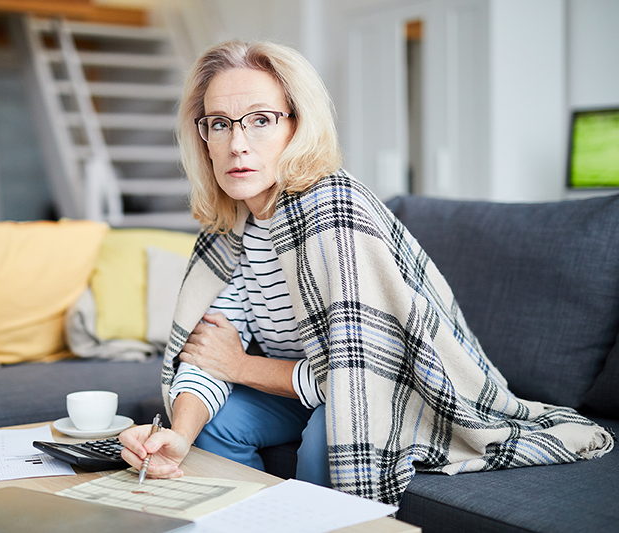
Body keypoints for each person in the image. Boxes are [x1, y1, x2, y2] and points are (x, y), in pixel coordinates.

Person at [118, 39, 613, 505]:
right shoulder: (232, 227)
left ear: (298, 126)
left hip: (392, 386)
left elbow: (359, 373)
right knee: (214, 422)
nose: (237, 143)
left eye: (261, 120)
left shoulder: (334, 211)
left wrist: (242, 366)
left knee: (331, 435)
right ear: (202, 136)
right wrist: (176, 436)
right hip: (306, 383)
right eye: (220, 124)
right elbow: (212, 351)